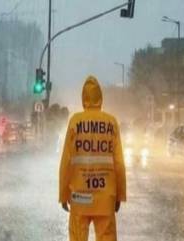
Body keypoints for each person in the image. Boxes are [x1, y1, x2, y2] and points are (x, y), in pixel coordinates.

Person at [59, 75, 126, 241]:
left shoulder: (75, 122)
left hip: (80, 197)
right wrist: (119, 195)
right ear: (100, 97)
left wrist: (63, 194)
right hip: (105, 196)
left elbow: (66, 161)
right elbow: (119, 163)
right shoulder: (111, 122)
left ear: (83, 97)